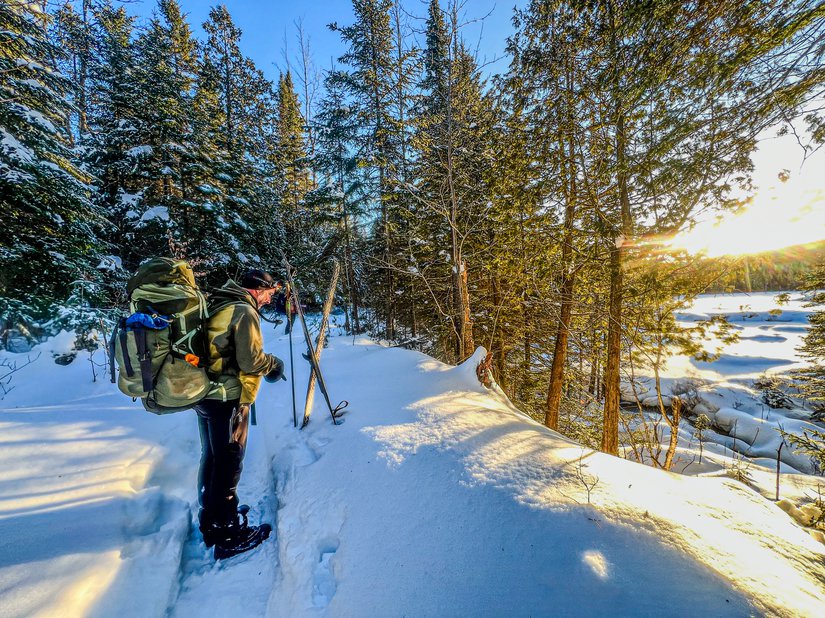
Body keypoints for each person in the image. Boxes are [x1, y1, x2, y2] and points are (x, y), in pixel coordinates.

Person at [194, 269, 286, 560]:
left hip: (204, 392)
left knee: (212, 455)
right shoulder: (243, 310)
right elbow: (250, 360)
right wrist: (274, 364)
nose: (271, 299)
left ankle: (212, 518)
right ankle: (227, 532)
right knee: (230, 458)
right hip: (226, 395)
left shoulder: (221, 303)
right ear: (258, 289)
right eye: (270, 292)